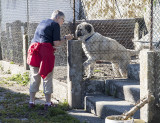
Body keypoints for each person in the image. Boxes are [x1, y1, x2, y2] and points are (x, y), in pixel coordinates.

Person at [27, 10, 73, 110]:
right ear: (58, 17)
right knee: (47, 76)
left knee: (35, 76)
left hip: (33, 51)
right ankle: (48, 103)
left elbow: (44, 38)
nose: (62, 22)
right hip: (44, 52)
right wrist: (66, 38)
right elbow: (56, 43)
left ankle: (31, 101)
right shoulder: (55, 24)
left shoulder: (43, 22)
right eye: (62, 20)